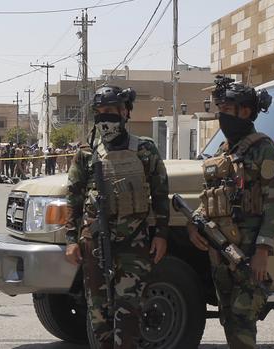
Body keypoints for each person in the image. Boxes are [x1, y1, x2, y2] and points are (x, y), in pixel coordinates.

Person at [64, 85, 169, 348]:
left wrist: (162, 235)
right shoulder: (86, 153)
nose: (104, 117)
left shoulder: (145, 150)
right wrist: (71, 240)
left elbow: (160, 195)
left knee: (129, 314)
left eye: (110, 111)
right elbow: (74, 198)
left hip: (134, 243)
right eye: (99, 112)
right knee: (99, 316)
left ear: (125, 112)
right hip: (95, 242)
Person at [188, 76, 274, 349]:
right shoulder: (223, 151)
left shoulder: (263, 150)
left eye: (227, 110)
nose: (222, 116)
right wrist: (195, 222)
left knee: (243, 321)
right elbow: (208, 196)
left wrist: (262, 252)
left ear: (245, 111)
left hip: (246, 253)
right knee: (229, 318)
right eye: (221, 110)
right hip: (220, 252)